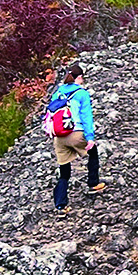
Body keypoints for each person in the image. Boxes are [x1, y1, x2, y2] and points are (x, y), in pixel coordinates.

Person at [47, 63, 101, 210]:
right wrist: (89, 137)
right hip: (75, 133)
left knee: (64, 171)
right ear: (80, 77)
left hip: (59, 137)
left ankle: (60, 205)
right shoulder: (81, 93)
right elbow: (86, 116)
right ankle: (93, 183)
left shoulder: (57, 93)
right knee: (93, 152)